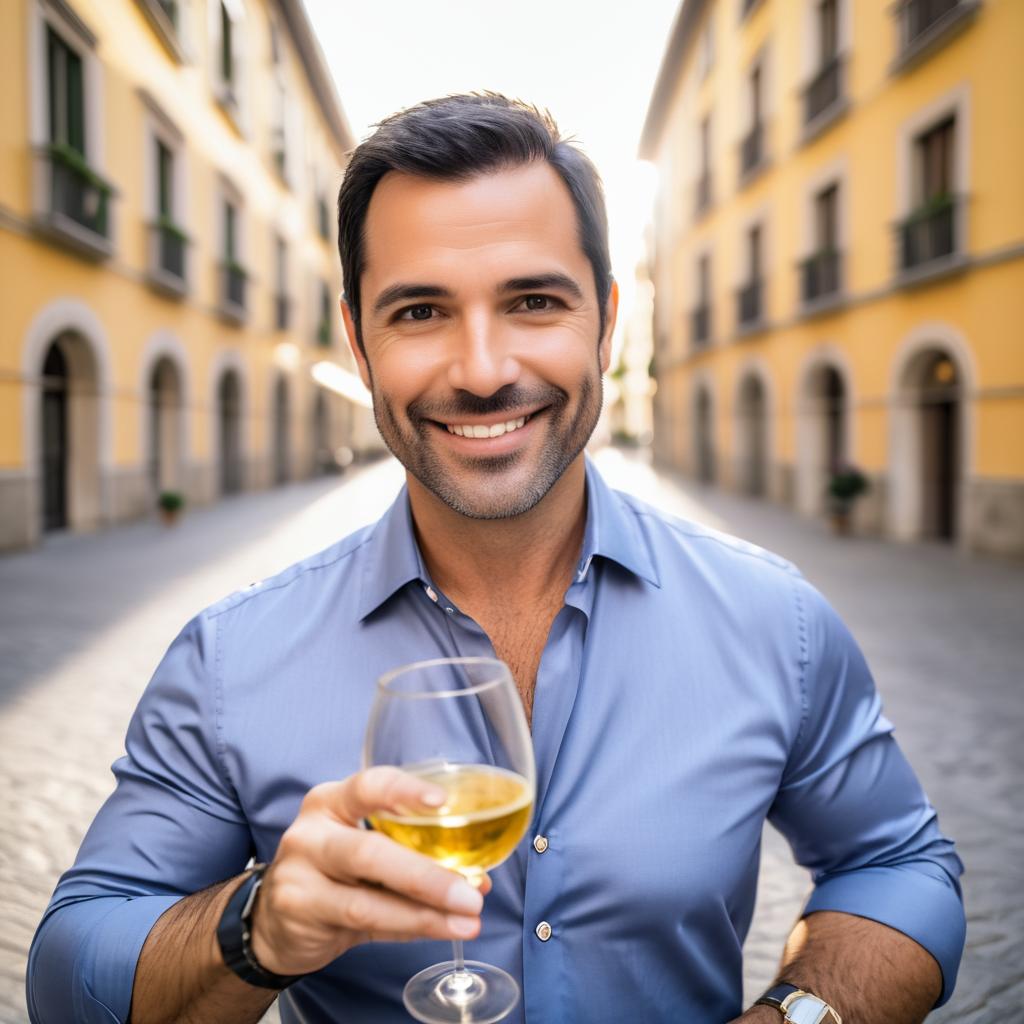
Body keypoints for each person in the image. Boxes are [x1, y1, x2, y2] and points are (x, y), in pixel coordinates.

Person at [27, 94, 964, 1024]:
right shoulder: (230, 659)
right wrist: (254, 925)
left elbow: (897, 865)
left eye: (533, 301)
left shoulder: (775, 620)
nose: (481, 370)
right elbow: (72, 974)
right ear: (358, 341)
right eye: (422, 310)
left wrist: (797, 1016)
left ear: (606, 320)